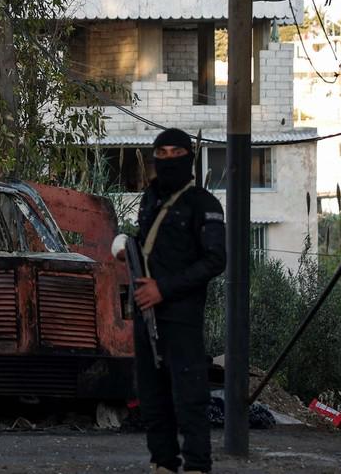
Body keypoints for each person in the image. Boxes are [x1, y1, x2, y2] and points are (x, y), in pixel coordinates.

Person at [117, 128, 226, 474]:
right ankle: (163, 463)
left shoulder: (203, 204)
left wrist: (163, 288)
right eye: (159, 154)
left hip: (180, 314)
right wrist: (127, 252)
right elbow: (149, 245)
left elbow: (214, 260)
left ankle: (197, 465)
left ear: (188, 158)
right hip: (145, 310)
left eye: (174, 153)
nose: (166, 160)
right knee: (151, 396)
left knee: (189, 395)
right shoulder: (150, 199)